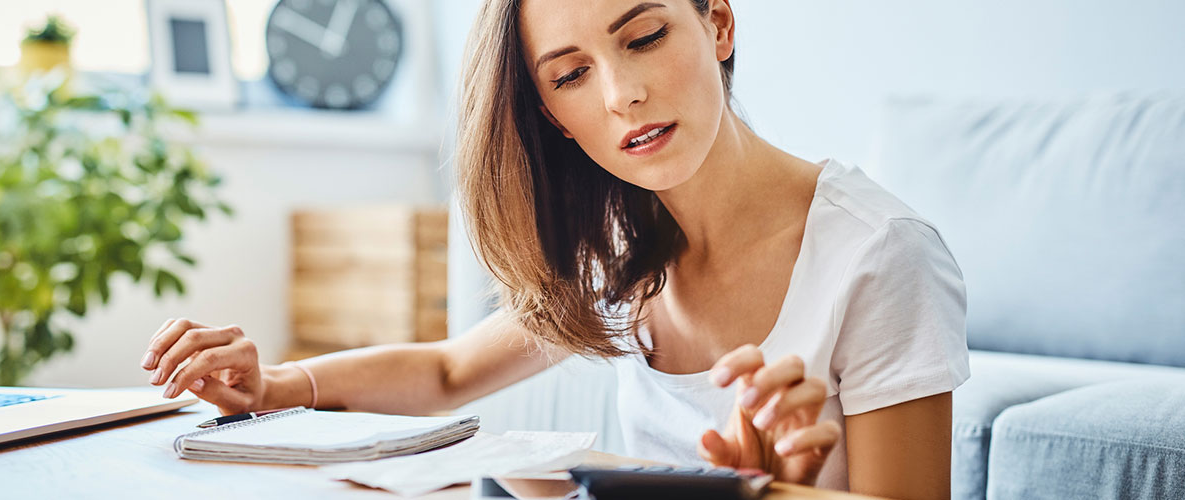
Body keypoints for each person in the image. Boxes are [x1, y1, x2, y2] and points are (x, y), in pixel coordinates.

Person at [138, 1, 968, 497]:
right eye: (570, 76)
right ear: (549, 115)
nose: (622, 93)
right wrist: (276, 385)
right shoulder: (623, 240)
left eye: (643, 36)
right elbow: (449, 373)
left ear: (716, 21)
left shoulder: (879, 256)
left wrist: (778, 487)